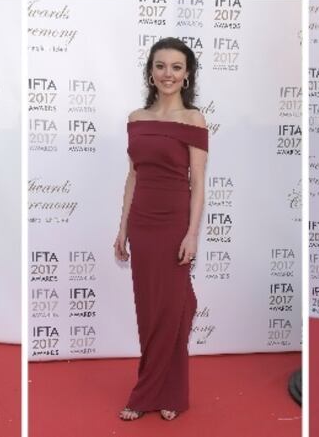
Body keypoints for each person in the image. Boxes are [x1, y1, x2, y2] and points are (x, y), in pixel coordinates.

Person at [113, 37, 208, 422]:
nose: (167, 74)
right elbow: (132, 176)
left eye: (176, 67)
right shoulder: (136, 118)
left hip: (173, 224)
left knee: (174, 308)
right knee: (149, 309)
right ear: (150, 72)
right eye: (160, 66)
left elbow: (199, 183)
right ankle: (157, 388)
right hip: (142, 223)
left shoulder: (194, 120)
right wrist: (122, 229)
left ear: (186, 76)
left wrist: (191, 234)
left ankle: (160, 392)